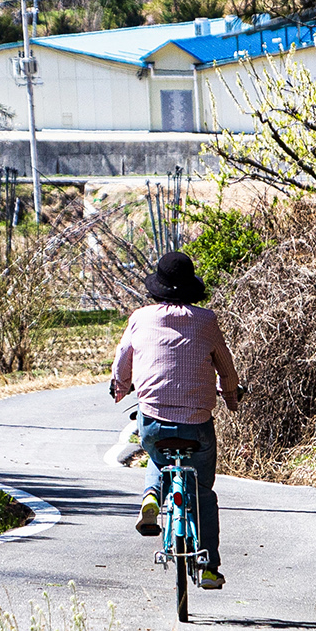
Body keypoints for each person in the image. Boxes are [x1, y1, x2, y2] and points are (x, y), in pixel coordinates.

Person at [109, 249, 240, 590]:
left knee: (156, 455)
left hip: (153, 419)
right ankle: (209, 567)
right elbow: (226, 369)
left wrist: (120, 389)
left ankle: (151, 496)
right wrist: (231, 397)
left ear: (158, 287)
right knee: (203, 492)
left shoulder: (140, 318)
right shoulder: (206, 320)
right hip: (197, 424)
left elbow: (122, 361)